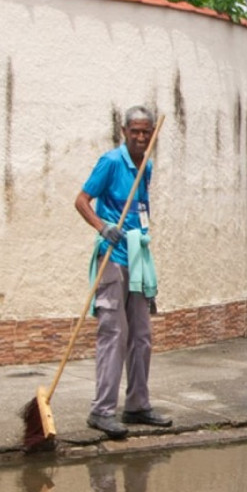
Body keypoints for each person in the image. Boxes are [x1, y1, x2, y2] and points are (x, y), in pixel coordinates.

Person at [75, 106, 171, 439]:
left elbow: (141, 212)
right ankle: (101, 411)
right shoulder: (111, 162)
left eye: (146, 132)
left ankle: (137, 405)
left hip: (138, 259)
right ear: (124, 130)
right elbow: (82, 200)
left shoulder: (146, 166)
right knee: (113, 335)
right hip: (113, 259)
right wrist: (103, 228)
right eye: (136, 132)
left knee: (142, 336)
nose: (141, 137)